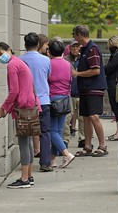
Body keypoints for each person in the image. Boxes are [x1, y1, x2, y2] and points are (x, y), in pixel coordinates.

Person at [0, 42, 40, 188]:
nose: (1, 58)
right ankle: (29, 176)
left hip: (22, 107)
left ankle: (24, 178)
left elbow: (14, 91)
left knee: (23, 144)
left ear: (9, 49)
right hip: (30, 105)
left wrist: (3, 109)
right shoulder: (20, 62)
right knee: (29, 143)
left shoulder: (12, 65)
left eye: (1, 54)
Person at [71, 25, 108, 157]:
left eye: (74, 35)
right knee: (85, 117)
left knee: (94, 117)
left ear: (80, 35)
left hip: (94, 88)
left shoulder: (92, 49)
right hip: (85, 89)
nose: (74, 38)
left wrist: (78, 73)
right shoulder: (85, 49)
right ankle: (87, 146)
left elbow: (96, 70)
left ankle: (102, 146)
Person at [19, 32, 53, 172]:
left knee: (26, 133)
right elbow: (48, 75)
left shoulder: (20, 60)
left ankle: (27, 166)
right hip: (43, 100)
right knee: (45, 131)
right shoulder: (46, 60)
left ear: (25, 45)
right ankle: (45, 163)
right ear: (38, 45)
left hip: (26, 102)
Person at [48, 38, 75, 168]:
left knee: (52, 131)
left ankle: (66, 154)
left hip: (53, 99)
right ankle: (52, 159)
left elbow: (46, 79)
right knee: (58, 131)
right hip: (65, 99)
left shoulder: (49, 64)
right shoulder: (67, 64)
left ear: (49, 52)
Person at [63, 39, 85, 148]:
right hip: (69, 92)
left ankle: (83, 138)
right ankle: (65, 139)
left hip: (81, 92)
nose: (75, 48)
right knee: (67, 118)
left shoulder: (83, 59)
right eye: (73, 46)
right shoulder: (65, 60)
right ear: (70, 48)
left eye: (77, 46)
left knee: (82, 117)